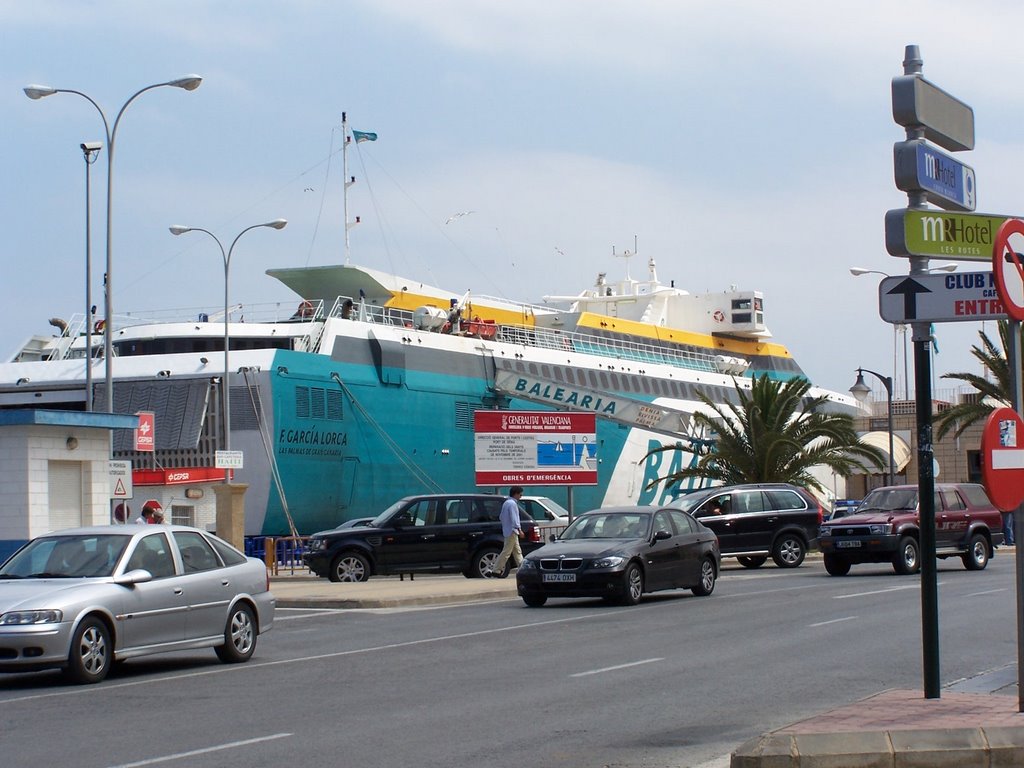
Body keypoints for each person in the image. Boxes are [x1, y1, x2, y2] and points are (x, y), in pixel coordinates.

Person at [492, 486, 524, 578]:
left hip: (507, 530)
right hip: (512, 531)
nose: (521, 496)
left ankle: (522, 568)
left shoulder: (506, 503)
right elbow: (514, 519)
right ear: (516, 494)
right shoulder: (512, 504)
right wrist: (519, 530)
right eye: (520, 494)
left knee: (517, 551)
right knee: (506, 551)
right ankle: (496, 569)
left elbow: (501, 517)